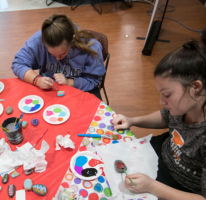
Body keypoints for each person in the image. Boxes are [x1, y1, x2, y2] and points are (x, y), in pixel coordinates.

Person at [113, 40, 206, 199]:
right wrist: (133, 120)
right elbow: (165, 116)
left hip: (180, 189)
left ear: (195, 87)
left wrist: (152, 186)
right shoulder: (183, 106)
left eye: (167, 94)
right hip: (160, 154)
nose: (161, 101)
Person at [11, 14, 106, 100]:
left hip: (79, 93)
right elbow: (18, 63)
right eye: (52, 54)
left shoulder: (92, 47)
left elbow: (93, 81)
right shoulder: (38, 40)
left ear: (72, 40)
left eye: (63, 54)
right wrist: (37, 80)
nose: (57, 58)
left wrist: (69, 82)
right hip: (50, 93)